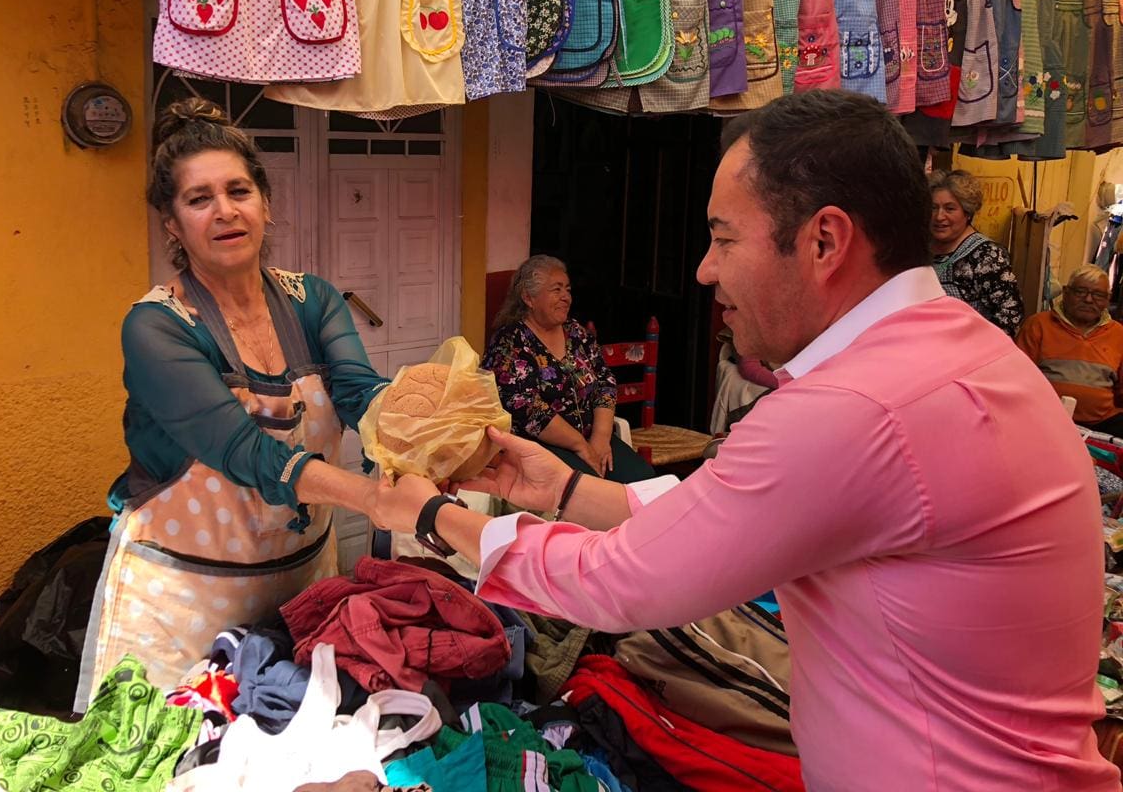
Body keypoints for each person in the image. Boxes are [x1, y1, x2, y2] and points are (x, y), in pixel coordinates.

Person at [373, 90, 1119, 789]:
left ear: (825, 240)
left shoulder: (855, 407)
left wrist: (433, 517)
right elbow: (726, 518)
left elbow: (622, 582)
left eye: (724, 238)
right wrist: (565, 490)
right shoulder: (969, 351)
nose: (703, 270)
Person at [77, 98, 383, 707]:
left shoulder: (313, 301)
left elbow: (359, 393)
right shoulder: (156, 327)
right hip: (180, 603)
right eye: (199, 199)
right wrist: (374, 498)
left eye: (238, 190)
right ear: (173, 223)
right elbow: (241, 451)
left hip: (300, 586)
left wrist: (415, 431)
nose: (225, 211)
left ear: (266, 204)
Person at [482, 255, 654, 484]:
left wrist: (600, 439)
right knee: (593, 493)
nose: (566, 297)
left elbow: (605, 382)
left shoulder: (576, 333)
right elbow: (527, 409)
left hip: (593, 437)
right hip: (541, 447)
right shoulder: (510, 342)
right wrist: (581, 446)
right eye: (556, 290)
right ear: (528, 298)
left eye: (568, 290)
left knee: (644, 482)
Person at [1017, 263, 1123, 435]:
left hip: (1102, 422)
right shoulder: (1038, 325)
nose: (1088, 300)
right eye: (1081, 292)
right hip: (1045, 418)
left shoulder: (1118, 333)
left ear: (1107, 300)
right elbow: (1018, 379)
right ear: (1066, 292)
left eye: (1098, 295)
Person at [929, 168, 1025, 335]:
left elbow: (1010, 315)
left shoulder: (987, 256)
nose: (939, 216)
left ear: (967, 213)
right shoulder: (919, 250)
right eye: (933, 208)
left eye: (950, 209)